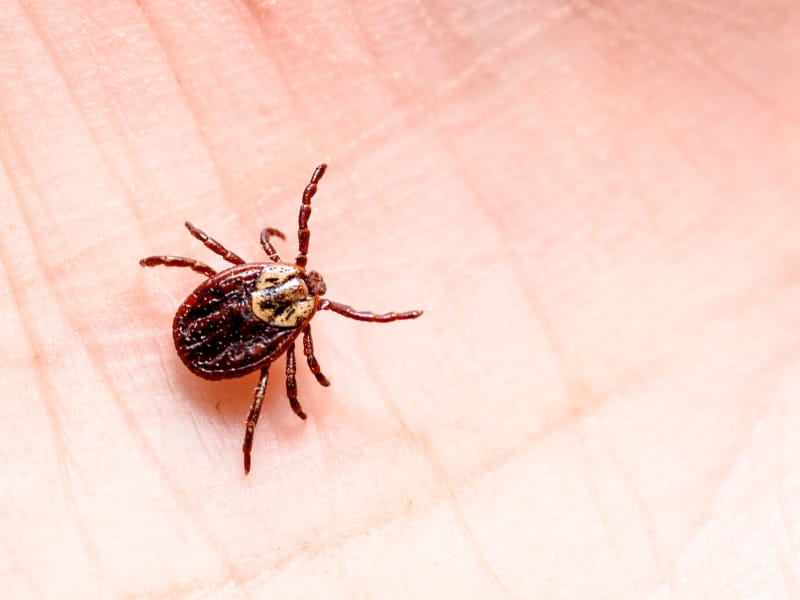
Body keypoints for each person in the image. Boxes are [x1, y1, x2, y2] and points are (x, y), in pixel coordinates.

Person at [1, 2, 796, 597]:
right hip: (221, 348)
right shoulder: (284, 328)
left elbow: (209, 257)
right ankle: (243, 438)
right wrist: (297, 393)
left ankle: (240, 429)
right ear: (278, 262)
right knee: (255, 392)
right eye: (296, 276)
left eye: (300, 289)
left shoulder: (256, 273)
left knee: (239, 358)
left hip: (211, 337)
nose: (308, 287)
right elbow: (280, 377)